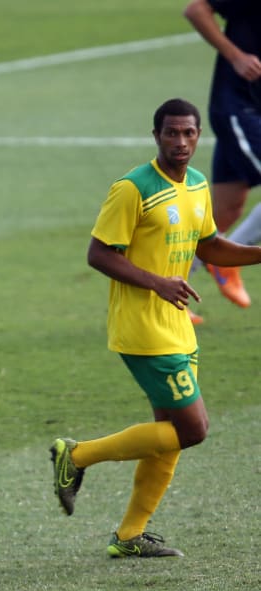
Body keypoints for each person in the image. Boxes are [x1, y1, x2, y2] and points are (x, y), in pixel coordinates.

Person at [50, 98, 261, 557]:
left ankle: (128, 537)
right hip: (143, 328)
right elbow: (99, 254)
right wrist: (158, 283)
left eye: (189, 133)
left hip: (178, 325)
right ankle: (76, 455)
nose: (181, 142)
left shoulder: (198, 185)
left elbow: (211, 247)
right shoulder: (133, 189)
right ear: (156, 136)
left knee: (169, 432)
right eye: (172, 133)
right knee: (194, 430)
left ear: (198, 136)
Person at [183, 0, 261, 318]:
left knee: (223, 213)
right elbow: (196, 9)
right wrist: (236, 57)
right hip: (240, 108)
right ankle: (224, 258)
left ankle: (164, 294)